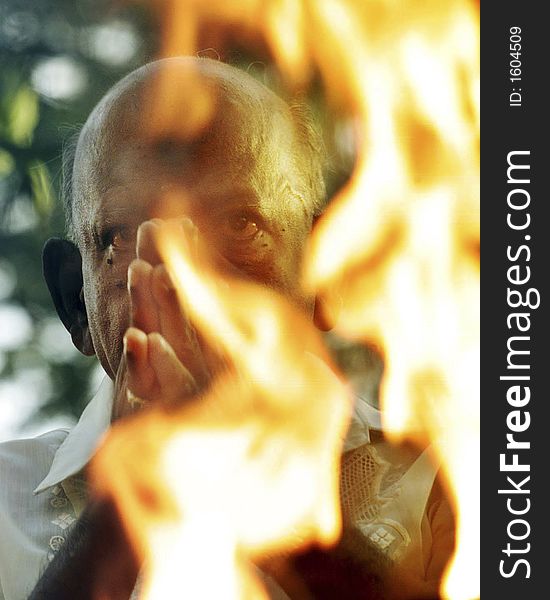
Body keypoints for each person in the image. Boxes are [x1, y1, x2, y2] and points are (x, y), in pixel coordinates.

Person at [0, 57, 453, 600]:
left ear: (324, 272)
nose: (187, 280)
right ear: (77, 303)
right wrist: (128, 493)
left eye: (241, 223)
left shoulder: (444, 478)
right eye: (123, 237)